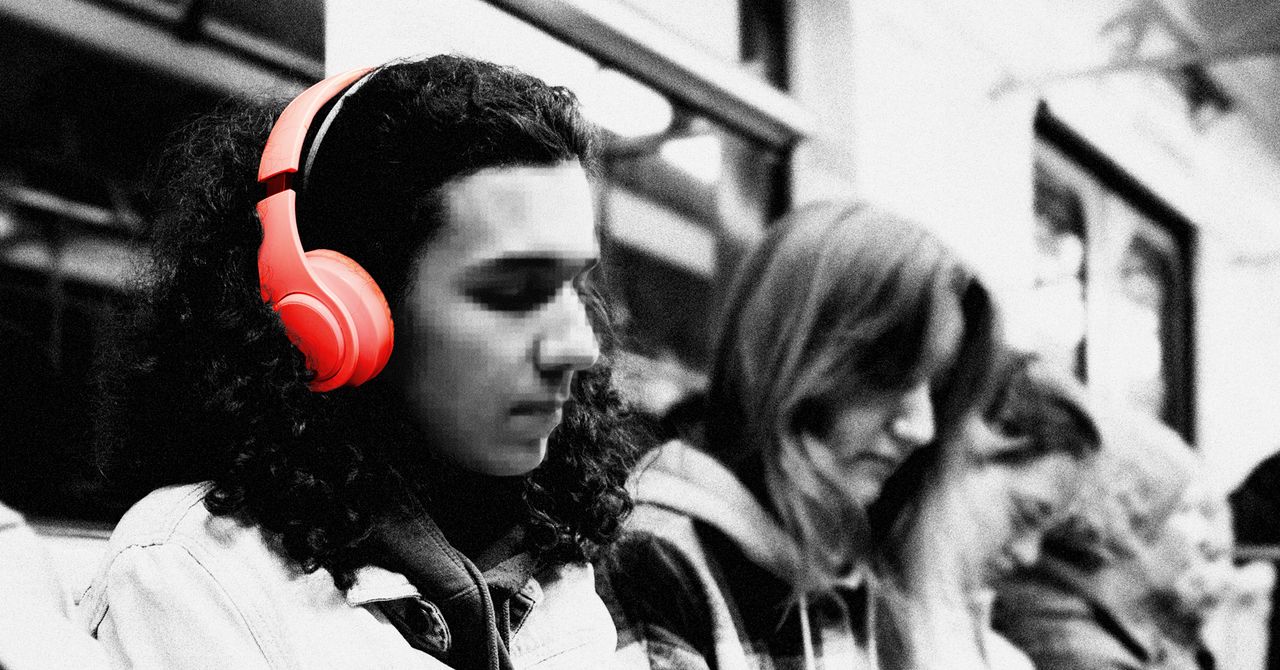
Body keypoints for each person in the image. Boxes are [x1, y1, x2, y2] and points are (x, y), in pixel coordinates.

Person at [78, 55, 642, 669]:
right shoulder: (196, 575)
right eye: (513, 290)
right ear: (335, 313)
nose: (579, 347)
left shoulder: (555, 568)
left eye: (576, 286)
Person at [596, 201, 1004, 670]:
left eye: (937, 385)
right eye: (891, 374)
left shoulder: (861, 578)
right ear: (795, 360)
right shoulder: (657, 570)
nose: (922, 428)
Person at [873, 353, 1103, 669]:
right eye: (1025, 515)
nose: (1029, 555)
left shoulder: (1004, 659)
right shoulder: (845, 625)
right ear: (962, 450)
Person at [993, 413, 1231, 670]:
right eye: (1187, 508)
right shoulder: (1067, 640)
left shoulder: (1121, 620)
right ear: (1127, 513)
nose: (1211, 540)